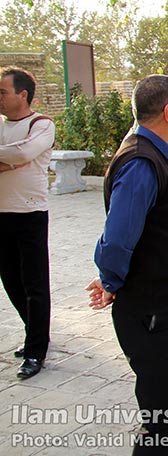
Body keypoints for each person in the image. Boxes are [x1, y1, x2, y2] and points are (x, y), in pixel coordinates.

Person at [87, 75, 168, 453]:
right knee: (166, 425)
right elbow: (118, 238)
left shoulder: (160, 152)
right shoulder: (141, 163)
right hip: (154, 313)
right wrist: (110, 279)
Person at [0, 67, 54, 379]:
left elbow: (26, 152)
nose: (0, 98)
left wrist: (15, 158)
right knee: (11, 281)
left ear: (23, 94)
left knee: (35, 284)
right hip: (2, 215)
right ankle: (35, 332)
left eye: (3, 92)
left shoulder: (42, 124)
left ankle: (36, 350)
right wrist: (13, 159)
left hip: (30, 214)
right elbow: (18, 156)